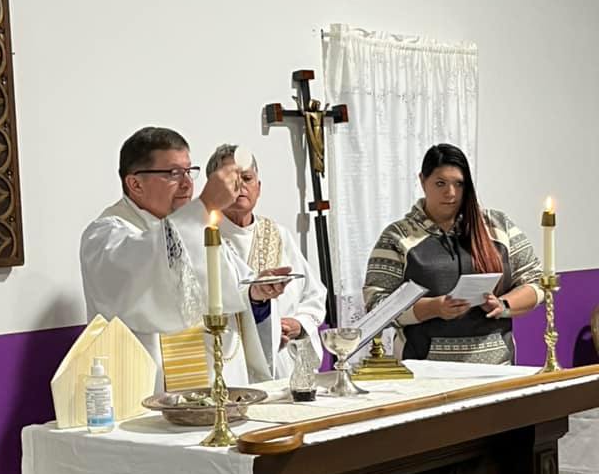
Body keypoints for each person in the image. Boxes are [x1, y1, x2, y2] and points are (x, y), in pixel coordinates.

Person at [80, 127, 289, 392]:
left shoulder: (199, 226)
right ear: (135, 183)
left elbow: (234, 289)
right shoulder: (105, 236)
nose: (188, 183)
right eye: (173, 173)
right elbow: (144, 269)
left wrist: (256, 293)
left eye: (189, 171)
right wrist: (203, 206)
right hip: (152, 401)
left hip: (219, 391)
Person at [363, 143, 543, 364]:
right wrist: (434, 307)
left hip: (498, 370)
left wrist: (503, 305)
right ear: (422, 181)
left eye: (459, 184)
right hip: (425, 373)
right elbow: (376, 303)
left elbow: (537, 281)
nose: (451, 193)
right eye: (440, 183)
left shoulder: (498, 226)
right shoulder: (398, 237)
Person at [205, 145, 326, 378]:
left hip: (285, 368)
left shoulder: (279, 234)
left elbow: (314, 295)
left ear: (258, 188)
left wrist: (298, 325)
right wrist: (262, 331)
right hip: (232, 369)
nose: (240, 186)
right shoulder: (205, 238)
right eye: (230, 179)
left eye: (247, 178)